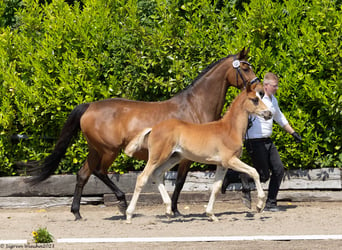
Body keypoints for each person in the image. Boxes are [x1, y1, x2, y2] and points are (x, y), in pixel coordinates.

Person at [221, 72, 302, 212]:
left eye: (277, 86)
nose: (276, 88)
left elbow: (280, 118)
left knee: (279, 169)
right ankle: (233, 176)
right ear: (266, 86)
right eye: (274, 86)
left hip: (267, 141)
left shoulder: (273, 100)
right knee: (263, 175)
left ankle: (271, 203)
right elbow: (241, 109)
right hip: (254, 141)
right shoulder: (255, 98)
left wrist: (293, 132)